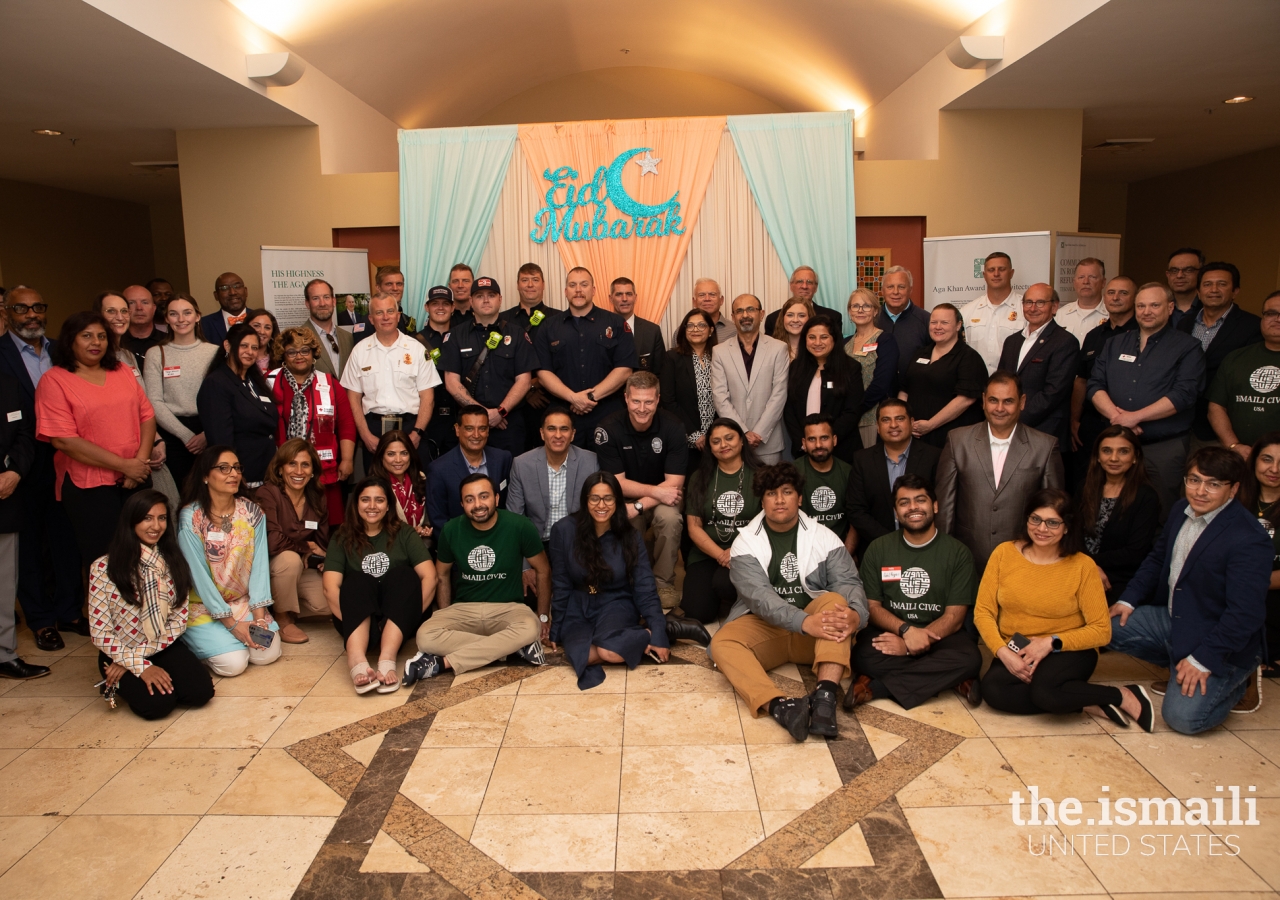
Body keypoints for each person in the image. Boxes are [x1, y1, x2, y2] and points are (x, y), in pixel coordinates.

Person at [1109, 447, 1271, 729]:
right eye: (1194, 480)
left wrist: (1203, 659)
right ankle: (1178, 663)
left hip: (1219, 638)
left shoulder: (1249, 539)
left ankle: (1239, 679)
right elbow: (1158, 557)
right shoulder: (1180, 510)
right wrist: (1128, 600)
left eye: (1213, 484)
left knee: (1184, 719)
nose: (1200, 491)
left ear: (1233, 490)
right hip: (1176, 619)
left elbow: (1246, 614)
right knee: (1105, 625)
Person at [709, 462, 867, 741]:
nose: (779, 500)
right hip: (770, 628)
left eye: (787, 492)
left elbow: (849, 583)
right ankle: (781, 707)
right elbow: (760, 599)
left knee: (836, 603)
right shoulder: (745, 542)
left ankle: (825, 699)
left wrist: (856, 615)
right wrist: (804, 622)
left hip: (816, 633)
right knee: (722, 643)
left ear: (800, 497)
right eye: (771, 493)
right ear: (762, 499)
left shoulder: (824, 537)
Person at [975, 489, 1154, 729]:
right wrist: (1002, 653)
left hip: (1067, 648)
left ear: (1067, 527)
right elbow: (983, 612)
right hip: (1017, 645)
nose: (1041, 528)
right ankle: (1087, 702)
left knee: (1045, 692)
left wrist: (1050, 642)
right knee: (994, 691)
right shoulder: (1004, 553)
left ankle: (1121, 695)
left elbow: (1102, 631)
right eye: (1035, 519)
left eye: (1052, 523)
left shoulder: (1083, 566)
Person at [848, 475, 982, 710]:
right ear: (896, 511)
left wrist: (912, 645)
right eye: (904, 502)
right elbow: (872, 607)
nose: (913, 508)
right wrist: (905, 632)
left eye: (920, 500)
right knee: (862, 656)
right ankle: (950, 679)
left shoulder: (958, 553)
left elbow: (955, 617)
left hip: (942, 635)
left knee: (970, 658)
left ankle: (876, 687)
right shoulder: (878, 549)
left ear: (935, 505)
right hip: (891, 631)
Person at [37, 310, 157, 567]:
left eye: (102, 336)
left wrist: (139, 463)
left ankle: (148, 607)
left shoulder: (122, 371)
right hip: (89, 488)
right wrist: (124, 465)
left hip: (136, 478)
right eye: (87, 336)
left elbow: (146, 415)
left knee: (146, 557)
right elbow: (63, 440)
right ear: (71, 341)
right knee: (107, 561)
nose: (96, 342)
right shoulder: (54, 380)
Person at [0, 286, 84, 651]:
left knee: (66, 537)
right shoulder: (0, 353)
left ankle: (69, 611)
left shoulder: (60, 351)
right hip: (23, 462)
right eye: (22, 309)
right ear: (7, 313)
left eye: (37, 307)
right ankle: (40, 619)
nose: (32, 315)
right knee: (29, 545)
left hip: (66, 457)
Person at [405, 474, 550, 682]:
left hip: (509, 608)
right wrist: (445, 614)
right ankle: (511, 649)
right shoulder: (451, 529)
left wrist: (543, 616)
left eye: (484, 496)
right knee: (425, 636)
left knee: (530, 627)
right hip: (464, 608)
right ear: (462, 504)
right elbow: (442, 574)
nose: (478, 504)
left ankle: (441, 663)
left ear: (496, 499)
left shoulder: (519, 526)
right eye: (470, 499)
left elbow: (543, 570)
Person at [90, 490, 214, 718]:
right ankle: (115, 684)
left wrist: (137, 658)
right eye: (147, 518)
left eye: (162, 518)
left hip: (161, 643)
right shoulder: (103, 568)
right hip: (117, 651)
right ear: (131, 520)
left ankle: (147, 676)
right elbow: (100, 633)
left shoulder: (173, 561)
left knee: (200, 693)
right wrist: (137, 664)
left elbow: (178, 622)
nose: (156, 526)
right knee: (158, 706)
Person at [1087, 282, 1205, 514]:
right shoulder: (1114, 343)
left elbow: (1184, 394)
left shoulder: (1187, 347)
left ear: (1170, 307)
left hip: (1163, 447)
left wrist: (1134, 418)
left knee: (1162, 510)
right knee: (1114, 510)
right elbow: (1094, 385)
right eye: (1141, 306)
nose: (1146, 311)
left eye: (1154, 305)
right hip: (1117, 446)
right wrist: (1117, 417)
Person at [549, 472, 672, 690]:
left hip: (616, 601)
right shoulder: (563, 530)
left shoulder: (630, 536)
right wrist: (556, 627)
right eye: (594, 498)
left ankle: (652, 631)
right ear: (585, 500)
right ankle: (630, 637)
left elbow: (644, 586)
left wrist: (659, 633)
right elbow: (560, 582)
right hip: (578, 604)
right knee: (582, 656)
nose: (601, 505)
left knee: (610, 652)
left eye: (608, 498)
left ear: (617, 501)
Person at [936, 372, 1065, 571]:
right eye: (993, 400)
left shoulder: (1045, 446)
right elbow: (945, 508)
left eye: (1008, 401)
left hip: (1025, 562)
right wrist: (944, 556)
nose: (999, 408)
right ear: (983, 401)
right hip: (966, 560)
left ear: (1022, 402)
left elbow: (1054, 511)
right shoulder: (957, 440)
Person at [323, 476, 436, 692]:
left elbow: (430, 577)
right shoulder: (342, 536)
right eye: (365, 500)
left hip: (398, 618)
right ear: (356, 504)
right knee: (357, 580)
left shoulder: (404, 532)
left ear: (388, 506)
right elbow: (330, 587)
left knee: (404, 575)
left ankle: (387, 658)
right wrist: (354, 622)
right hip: (359, 619)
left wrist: (407, 617)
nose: (372, 506)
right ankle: (356, 660)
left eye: (379, 500)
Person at [177, 446, 283, 675]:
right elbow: (198, 577)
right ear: (205, 475)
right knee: (233, 665)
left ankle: (230, 641)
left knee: (267, 653)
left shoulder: (252, 512)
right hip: (203, 607)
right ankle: (204, 641)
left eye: (236, 468)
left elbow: (259, 567)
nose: (233, 474)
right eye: (224, 468)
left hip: (243, 604)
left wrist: (259, 619)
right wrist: (232, 625)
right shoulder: (191, 517)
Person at [594, 371, 688, 612]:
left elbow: (675, 483)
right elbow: (617, 483)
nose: (642, 408)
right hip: (628, 496)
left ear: (657, 399)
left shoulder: (674, 427)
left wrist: (640, 505)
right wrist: (650, 497)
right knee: (626, 523)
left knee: (670, 518)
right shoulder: (608, 428)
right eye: (636, 401)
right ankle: (634, 581)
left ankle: (663, 583)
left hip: (665, 497)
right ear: (626, 398)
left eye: (648, 401)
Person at [533, 267, 637, 447]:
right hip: (563, 417)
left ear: (594, 290)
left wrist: (589, 397)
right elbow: (543, 373)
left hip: (608, 415)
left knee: (608, 472)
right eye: (572, 285)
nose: (578, 290)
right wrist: (573, 398)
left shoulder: (616, 323)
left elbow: (625, 369)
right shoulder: (548, 327)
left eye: (584, 284)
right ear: (566, 291)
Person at [342, 291, 442, 469]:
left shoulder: (417, 350)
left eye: (390, 311)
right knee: (376, 491)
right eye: (379, 313)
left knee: (416, 489)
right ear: (371, 319)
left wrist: (417, 433)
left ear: (398, 316)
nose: (385, 317)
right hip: (373, 430)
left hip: (411, 428)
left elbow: (428, 397)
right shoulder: (359, 351)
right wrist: (365, 435)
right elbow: (353, 398)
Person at [439, 276, 537, 455]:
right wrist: (484, 414)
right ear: (470, 301)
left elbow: (524, 380)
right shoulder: (455, 336)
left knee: (510, 479)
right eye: (479, 296)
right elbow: (451, 383)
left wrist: (500, 411)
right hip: (469, 425)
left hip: (508, 424)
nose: (485, 300)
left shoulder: (517, 335)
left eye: (491, 295)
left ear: (500, 300)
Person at [269, 326, 356, 523]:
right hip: (281, 468)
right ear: (283, 355)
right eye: (291, 351)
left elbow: (346, 424)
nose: (299, 356)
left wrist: (348, 459)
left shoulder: (331, 384)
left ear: (313, 353)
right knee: (286, 522)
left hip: (322, 469)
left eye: (305, 350)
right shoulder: (269, 383)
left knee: (328, 522)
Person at [683, 418, 762, 624]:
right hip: (707, 553)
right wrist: (721, 555)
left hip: (749, 552)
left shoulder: (762, 475)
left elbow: (768, 525)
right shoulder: (698, 478)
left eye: (729, 438)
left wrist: (735, 553)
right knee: (697, 613)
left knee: (725, 583)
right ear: (709, 447)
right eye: (716, 441)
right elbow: (694, 527)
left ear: (742, 441)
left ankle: (730, 596)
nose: (723, 445)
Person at [1177, 262, 1262, 451]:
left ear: (1235, 291)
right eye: (1207, 284)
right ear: (1198, 291)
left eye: (1222, 284)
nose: (1213, 290)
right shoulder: (1183, 324)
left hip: (1225, 428)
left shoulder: (1252, 327)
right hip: (1182, 423)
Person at [255, 439, 331, 644]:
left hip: (302, 569)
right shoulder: (268, 493)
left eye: (305, 465)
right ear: (280, 469)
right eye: (291, 463)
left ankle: (279, 606)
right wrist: (305, 547)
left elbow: (322, 543)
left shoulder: (317, 497)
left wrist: (324, 558)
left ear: (313, 470)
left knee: (330, 601)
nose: (299, 471)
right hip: (271, 568)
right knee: (289, 559)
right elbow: (272, 541)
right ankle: (282, 618)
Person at [1077, 426, 1161, 604]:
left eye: (1123, 451)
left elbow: (1135, 553)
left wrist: (1089, 564)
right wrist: (1088, 566)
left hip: (1119, 581)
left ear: (1135, 457)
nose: (1114, 458)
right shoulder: (1085, 487)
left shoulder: (1146, 496)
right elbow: (1072, 534)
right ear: (1098, 457)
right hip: (1079, 570)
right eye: (1107, 451)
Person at [144, 294, 217, 494]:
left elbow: (221, 400)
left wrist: (206, 434)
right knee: (181, 496)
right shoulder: (156, 353)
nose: (181, 319)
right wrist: (185, 435)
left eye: (187, 313)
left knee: (212, 495)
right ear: (166, 319)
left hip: (209, 430)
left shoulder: (214, 352)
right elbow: (154, 401)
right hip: (173, 435)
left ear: (198, 316)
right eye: (173, 314)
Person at [847, 399, 941, 550]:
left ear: (911, 422)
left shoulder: (934, 457)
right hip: (878, 548)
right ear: (877, 426)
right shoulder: (862, 460)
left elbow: (941, 505)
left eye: (899, 418)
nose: (893, 425)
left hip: (926, 548)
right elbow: (856, 510)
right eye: (886, 420)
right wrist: (889, 542)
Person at [996, 283, 1079, 448]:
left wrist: (1015, 418)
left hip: (1045, 430)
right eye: (1028, 302)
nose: (1033, 308)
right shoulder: (1012, 341)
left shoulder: (1065, 342)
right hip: (1009, 429)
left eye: (1040, 303)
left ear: (1054, 306)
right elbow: (1001, 382)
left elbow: (1054, 393)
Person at [710, 294, 790, 465]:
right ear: (733, 317)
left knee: (769, 490)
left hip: (768, 443)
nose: (745, 315)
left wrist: (758, 433)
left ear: (761, 314)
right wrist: (742, 433)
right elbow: (720, 397)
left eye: (750, 309)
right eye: (739, 311)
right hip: (732, 441)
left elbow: (779, 394)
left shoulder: (779, 348)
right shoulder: (720, 351)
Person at [197, 322, 278, 486]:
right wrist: (235, 475)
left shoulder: (254, 381)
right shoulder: (217, 383)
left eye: (255, 348)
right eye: (244, 346)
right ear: (227, 346)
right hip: (242, 477)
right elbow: (221, 440)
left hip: (267, 471)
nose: (250, 352)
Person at [0, 371, 42, 679]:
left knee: (4, 583)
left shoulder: (8, 381)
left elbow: (26, 431)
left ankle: (4, 654)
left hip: (5, 493)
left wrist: (15, 471)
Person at [1071, 276, 1138, 470]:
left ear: (1135, 298)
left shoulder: (1143, 334)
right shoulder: (1094, 335)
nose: (1116, 297)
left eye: (1123, 293)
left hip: (1129, 423)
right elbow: (1081, 380)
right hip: (1092, 422)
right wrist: (1075, 420)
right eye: (1111, 292)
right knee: (1086, 479)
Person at [898, 303, 986, 448]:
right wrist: (905, 421)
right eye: (934, 322)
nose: (938, 327)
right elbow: (904, 390)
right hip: (915, 434)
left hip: (950, 437)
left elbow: (965, 399)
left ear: (958, 325)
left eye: (945, 322)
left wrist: (930, 424)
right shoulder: (920, 353)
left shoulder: (968, 357)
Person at [508, 408, 597, 546]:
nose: (558, 435)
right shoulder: (521, 464)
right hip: (536, 544)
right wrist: (526, 563)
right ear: (542, 433)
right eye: (551, 429)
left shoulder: (590, 462)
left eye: (564, 429)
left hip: (577, 543)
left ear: (572, 434)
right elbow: (515, 518)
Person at [1209, 290, 1280, 457]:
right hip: (1239, 457)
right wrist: (1234, 446)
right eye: (1271, 313)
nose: (1277, 319)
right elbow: (1216, 407)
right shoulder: (1236, 358)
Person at [785, 318, 864, 462]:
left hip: (841, 449)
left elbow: (852, 411)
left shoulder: (851, 368)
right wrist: (803, 442)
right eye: (811, 337)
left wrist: (826, 440)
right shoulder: (796, 367)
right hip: (803, 451)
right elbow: (789, 409)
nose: (817, 343)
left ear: (834, 339)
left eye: (824, 337)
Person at [426, 405, 512, 533]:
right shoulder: (438, 469)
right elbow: (438, 520)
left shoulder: (503, 459)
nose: (476, 435)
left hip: (500, 538)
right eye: (469, 428)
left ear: (488, 430)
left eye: (482, 429)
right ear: (457, 430)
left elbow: (509, 506)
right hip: (460, 543)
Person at [498, 263, 554, 452]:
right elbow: (497, 366)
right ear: (517, 285)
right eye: (525, 280)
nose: (530, 284)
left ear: (543, 284)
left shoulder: (559, 318)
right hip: (513, 410)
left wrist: (537, 383)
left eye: (535, 279)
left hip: (550, 402)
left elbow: (564, 362)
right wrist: (527, 389)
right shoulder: (502, 320)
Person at [660, 309, 719, 475]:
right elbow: (668, 401)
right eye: (690, 325)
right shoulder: (672, 357)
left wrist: (714, 433)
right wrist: (694, 434)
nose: (695, 329)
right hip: (686, 439)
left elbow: (726, 397)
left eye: (701, 325)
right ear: (683, 330)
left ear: (711, 330)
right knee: (691, 490)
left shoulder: (719, 356)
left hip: (717, 438)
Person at [1243, 433, 1280, 677]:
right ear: (1254, 460)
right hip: (1235, 587)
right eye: (1267, 459)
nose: (1274, 469)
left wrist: (1254, 583)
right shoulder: (1233, 499)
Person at [845, 288, 899, 449]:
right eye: (855, 306)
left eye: (866, 306)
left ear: (875, 311)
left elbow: (881, 384)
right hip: (847, 419)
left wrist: (856, 409)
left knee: (870, 465)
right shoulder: (843, 343)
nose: (860, 310)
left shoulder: (885, 340)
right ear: (849, 311)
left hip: (871, 416)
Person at [793, 415, 854, 552]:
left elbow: (856, 520)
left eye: (824, 438)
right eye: (812, 439)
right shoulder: (791, 472)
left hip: (838, 550)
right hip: (802, 550)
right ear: (804, 443)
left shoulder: (849, 473)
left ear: (834, 440)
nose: (818, 445)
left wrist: (846, 555)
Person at [958, 252, 1024, 374]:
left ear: (1011, 273)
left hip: (1012, 385)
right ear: (984, 275)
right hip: (976, 383)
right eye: (991, 270)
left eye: (1002, 269)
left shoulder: (1025, 309)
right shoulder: (967, 311)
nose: (996, 274)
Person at [369, 430, 433, 548]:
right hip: (389, 549)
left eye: (404, 453)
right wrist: (408, 532)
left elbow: (428, 519)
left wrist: (425, 529)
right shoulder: (373, 487)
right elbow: (372, 528)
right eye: (391, 454)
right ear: (381, 456)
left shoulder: (421, 478)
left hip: (420, 548)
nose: (398, 460)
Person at [415, 285, 459, 457]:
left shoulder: (462, 337)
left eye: (445, 304)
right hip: (428, 417)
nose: (440, 308)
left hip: (456, 415)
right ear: (427, 307)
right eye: (435, 304)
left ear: (453, 307)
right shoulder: (415, 342)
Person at [875, 266, 931, 381]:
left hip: (914, 391)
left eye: (901, 287)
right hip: (878, 392)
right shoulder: (872, 319)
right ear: (882, 290)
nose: (895, 292)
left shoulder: (926, 320)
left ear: (910, 290)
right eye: (890, 287)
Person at [763, 266, 845, 338]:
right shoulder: (773, 319)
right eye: (799, 281)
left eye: (809, 282)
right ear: (791, 286)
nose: (804, 286)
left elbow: (837, 350)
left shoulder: (833, 317)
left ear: (815, 287)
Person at [609, 277, 665, 374]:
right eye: (619, 294)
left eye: (629, 294)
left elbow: (661, 372)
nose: (624, 299)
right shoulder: (601, 329)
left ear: (635, 297)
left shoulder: (652, 331)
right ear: (611, 299)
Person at [301, 278, 354, 378]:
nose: (322, 303)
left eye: (326, 297)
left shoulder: (348, 338)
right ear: (307, 304)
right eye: (315, 298)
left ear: (333, 301)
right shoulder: (297, 338)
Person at [1056, 258, 1109, 343]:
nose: (1086, 281)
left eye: (1092, 277)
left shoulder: (1111, 315)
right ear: (1074, 282)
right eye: (1081, 277)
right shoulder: (1060, 315)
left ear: (1103, 282)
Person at [120, 284, 165, 369]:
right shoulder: (115, 344)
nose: (139, 308)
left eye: (145, 302)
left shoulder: (168, 341)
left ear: (154, 308)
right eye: (131, 303)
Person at [201, 272, 250, 346]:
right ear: (216, 295)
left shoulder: (262, 321)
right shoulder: (203, 325)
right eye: (224, 288)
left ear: (246, 291)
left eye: (237, 286)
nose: (232, 292)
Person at [1166, 247, 1205, 327]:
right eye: (1174, 270)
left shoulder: (1209, 306)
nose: (1179, 275)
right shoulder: (1157, 307)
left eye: (1188, 270)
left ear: (1201, 273)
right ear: (1168, 275)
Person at [692, 278, 735, 345]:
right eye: (701, 295)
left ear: (721, 300)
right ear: (694, 302)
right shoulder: (682, 332)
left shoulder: (735, 330)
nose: (707, 299)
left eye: (712, 294)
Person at [772, 296, 811, 361]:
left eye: (801, 315)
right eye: (790, 315)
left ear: (810, 318)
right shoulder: (771, 348)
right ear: (782, 318)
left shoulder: (816, 348)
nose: (795, 320)